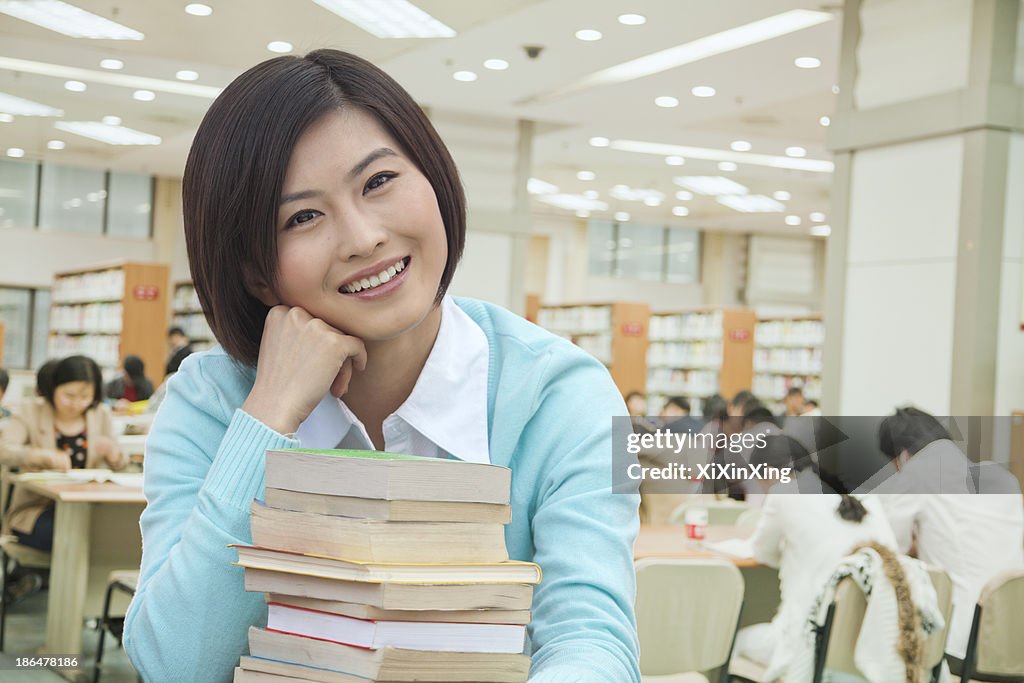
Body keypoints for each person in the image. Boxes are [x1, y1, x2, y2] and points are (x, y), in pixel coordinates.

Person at [123, 49, 641, 683]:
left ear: (436, 180)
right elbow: (175, 666)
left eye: (379, 182)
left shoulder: (568, 396)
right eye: (303, 217)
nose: (363, 237)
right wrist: (268, 418)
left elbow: (592, 640)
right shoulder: (210, 399)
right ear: (257, 272)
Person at [732, 435, 897, 681]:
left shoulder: (783, 493)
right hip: (872, 645)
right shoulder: (864, 496)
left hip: (809, 641)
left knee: (733, 641)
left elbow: (761, 553)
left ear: (766, 471)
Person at [873, 407, 1024, 666]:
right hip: (1014, 639)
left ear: (903, 456)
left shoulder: (918, 473)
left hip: (962, 644)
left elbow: (886, 548)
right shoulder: (1004, 478)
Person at [0, 355, 124, 601]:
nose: (77, 403)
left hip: (88, 507)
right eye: (69, 395)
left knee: (113, 531)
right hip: (36, 510)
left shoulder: (99, 415)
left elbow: (120, 463)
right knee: (81, 536)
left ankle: (93, 603)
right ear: (53, 387)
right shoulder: (30, 411)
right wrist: (44, 456)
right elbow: (4, 451)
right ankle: (73, 603)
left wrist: (113, 453)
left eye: (85, 396)